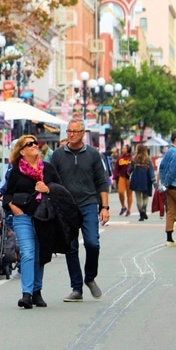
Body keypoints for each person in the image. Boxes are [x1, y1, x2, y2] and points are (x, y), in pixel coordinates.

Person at [50, 120, 110, 301]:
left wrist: (105, 207)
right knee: (71, 247)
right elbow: (52, 180)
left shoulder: (92, 154)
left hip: (88, 203)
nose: (72, 134)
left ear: (83, 133)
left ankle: (90, 277)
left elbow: (102, 181)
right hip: (66, 206)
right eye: (69, 131)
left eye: (76, 132)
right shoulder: (58, 155)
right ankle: (76, 288)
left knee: (93, 243)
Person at [3, 134, 61, 309]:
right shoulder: (15, 171)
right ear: (22, 151)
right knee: (28, 252)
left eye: (36, 143)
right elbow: (7, 193)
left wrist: (48, 188)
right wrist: (13, 206)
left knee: (39, 254)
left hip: (44, 217)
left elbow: (60, 190)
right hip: (23, 217)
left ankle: (37, 291)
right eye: (30, 144)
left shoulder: (48, 169)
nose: (35, 145)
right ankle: (26, 294)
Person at [129, 144, 156, 221]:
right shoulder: (148, 160)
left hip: (136, 180)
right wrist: (154, 182)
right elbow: (151, 172)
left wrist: (128, 174)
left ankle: (141, 214)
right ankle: (144, 208)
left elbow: (129, 170)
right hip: (146, 180)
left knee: (138, 198)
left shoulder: (134, 159)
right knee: (145, 197)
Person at [114, 144, 134, 216]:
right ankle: (123, 206)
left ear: (128, 149)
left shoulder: (132, 158)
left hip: (130, 178)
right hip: (122, 177)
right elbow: (116, 168)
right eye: (122, 148)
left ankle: (129, 209)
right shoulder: (120, 158)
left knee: (129, 194)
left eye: (124, 148)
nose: (123, 150)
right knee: (120, 192)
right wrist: (114, 178)